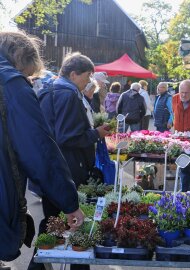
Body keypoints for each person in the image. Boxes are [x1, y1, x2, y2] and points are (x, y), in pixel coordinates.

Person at [0, 31, 84, 267]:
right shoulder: (10, 83)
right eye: (27, 72)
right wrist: (70, 203)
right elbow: (38, 150)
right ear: (18, 56)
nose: (26, 78)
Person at [34, 53, 111, 270]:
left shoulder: (50, 89)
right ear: (73, 73)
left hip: (52, 166)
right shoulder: (67, 94)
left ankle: (39, 264)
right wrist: (95, 134)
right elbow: (67, 136)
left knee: (52, 221)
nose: (89, 82)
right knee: (73, 222)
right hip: (67, 167)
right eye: (87, 76)